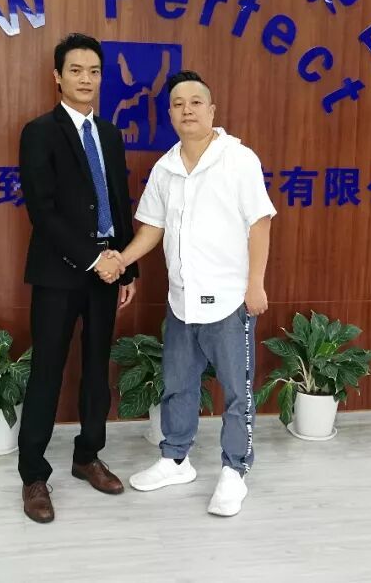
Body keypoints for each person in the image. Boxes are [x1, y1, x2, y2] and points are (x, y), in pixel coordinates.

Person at [104, 70, 275, 517]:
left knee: (237, 392)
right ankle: (175, 460)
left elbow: (260, 223)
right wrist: (122, 259)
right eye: (178, 104)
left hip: (230, 299)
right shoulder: (165, 168)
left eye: (195, 102)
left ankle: (235, 470)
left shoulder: (238, 160)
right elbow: (153, 227)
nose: (187, 110)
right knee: (178, 384)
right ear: (170, 114)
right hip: (182, 301)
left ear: (212, 110)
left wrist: (255, 284)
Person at [16, 33, 138, 524]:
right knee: (47, 371)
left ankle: (87, 455)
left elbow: (120, 201)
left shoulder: (109, 134)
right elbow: (42, 211)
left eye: (94, 71)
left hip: (108, 272)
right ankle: (33, 474)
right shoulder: (39, 132)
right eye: (76, 70)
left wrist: (126, 266)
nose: (86, 79)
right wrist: (94, 259)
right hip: (59, 273)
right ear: (58, 76)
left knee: (96, 369)